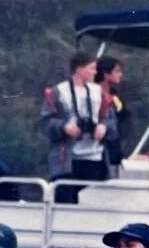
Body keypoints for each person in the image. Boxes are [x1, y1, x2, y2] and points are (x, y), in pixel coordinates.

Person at [42, 53, 112, 181]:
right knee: (65, 198)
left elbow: (109, 119)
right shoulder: (58, 92)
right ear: (79, 69)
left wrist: (103, 126)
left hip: (94, 157)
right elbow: (46, 122)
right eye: (92, 68)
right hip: (66, 159)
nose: (95, 72)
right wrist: (64, 127)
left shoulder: (99, 92)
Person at [97, 56, 132, 168]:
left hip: (115, 148)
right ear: (106, 74)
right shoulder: (94, 96)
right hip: (101, 149)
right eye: (117, 71)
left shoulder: (115, 97)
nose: (120, 74)